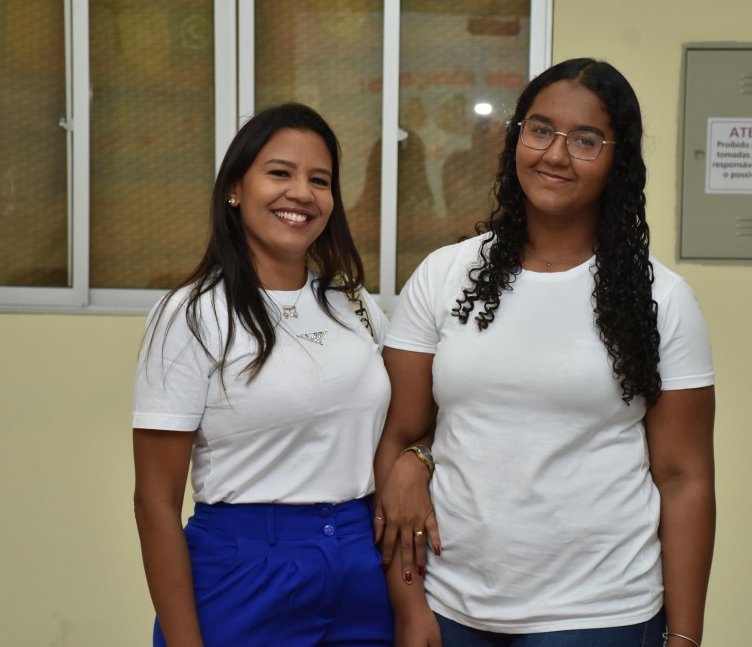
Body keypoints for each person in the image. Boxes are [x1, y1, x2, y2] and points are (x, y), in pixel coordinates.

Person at [373, 58, 716, 647]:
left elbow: (684, 478)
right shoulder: (443, 275)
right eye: (540, 130)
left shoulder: (662, 298)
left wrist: (684, 637)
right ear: (516, 139)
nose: (555, 155)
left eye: (585, 140)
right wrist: (409, 604)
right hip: (449, 604)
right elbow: (399, 437)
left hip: (599, 612)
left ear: (618, 161)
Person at [132, 103, 394, 646]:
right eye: (280, 173)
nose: (301, 193)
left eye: (319, 180)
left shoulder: (354, 304)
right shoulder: (190, 314)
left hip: (359, 563)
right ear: (235, 188)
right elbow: (154, 502)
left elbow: (402, 430)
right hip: (244, 570)